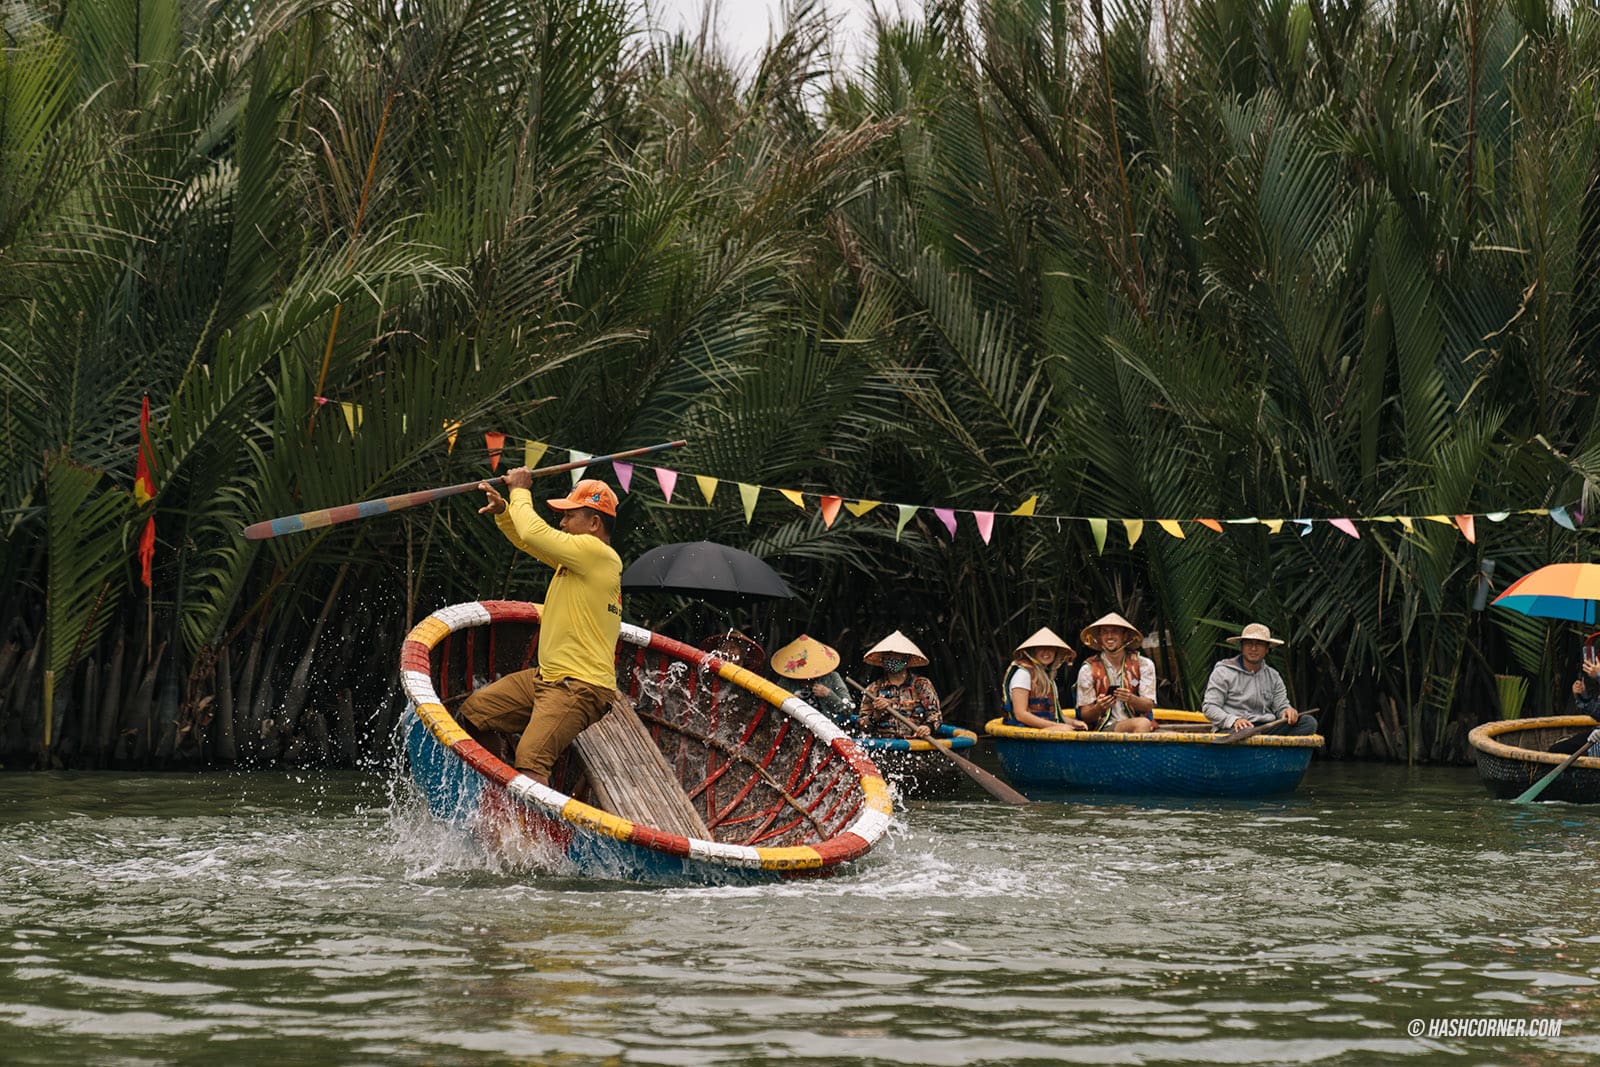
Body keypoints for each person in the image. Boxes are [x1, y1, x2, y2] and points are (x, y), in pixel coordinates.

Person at [457, 472, 623, 785]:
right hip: (548, 677)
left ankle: (535, 835)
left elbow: (534, 533)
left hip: (579, 685)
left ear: (594, 524)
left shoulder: (597, 554)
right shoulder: (577, 559)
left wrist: (520, 489)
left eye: (569, 516)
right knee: (477, 713)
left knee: (531, 760)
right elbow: (528, 540)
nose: (561, 523)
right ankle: (499, 797)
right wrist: (506, 512)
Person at [1201, 623, 1318, 736]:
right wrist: (1233, 720)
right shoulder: (1223, 672)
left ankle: (1268, 747)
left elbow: (1281, 707)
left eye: (1259, 644)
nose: (1253, 648)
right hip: (1233, 729)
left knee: (1308, 722)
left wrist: (1288, 711)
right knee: (1243, 732)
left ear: (1267, 649)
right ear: (1241, 646)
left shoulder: (1273, 676)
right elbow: (1210, 707)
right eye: (1248, 643)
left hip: (1264, 728)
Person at [1075, 612, 1158, 733]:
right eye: (1104, 632)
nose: (1109, 636)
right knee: (1142, 723)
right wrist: (1098, 708)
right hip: (1104, 728)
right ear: (1099, 637)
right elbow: (1085, 716)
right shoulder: (1088, 669)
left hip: (1138, 724)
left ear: (1124, 636)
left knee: (1143, 723)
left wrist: (1131, 699)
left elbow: (1148, 705)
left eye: (1115, 631)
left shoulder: (1143, 664)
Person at [857, 630, 941, 739]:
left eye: (897, 656)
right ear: (882, 660)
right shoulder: (873, 689)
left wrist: (927, 727)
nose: (892, 659)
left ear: (907, 659)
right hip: (884, 746)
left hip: (917, 745)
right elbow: (863, 726)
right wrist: (877, 714)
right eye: (888, 656)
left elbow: (935, 714)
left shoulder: (921, 685)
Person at [1002, 627, 1081, 732]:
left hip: (1044, 729)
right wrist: (1055, 727)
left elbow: (1057, 714)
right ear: (1033, 650)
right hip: (1025, 731)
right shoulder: (1023, 674)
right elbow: (1021, 714)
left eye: (1050, 648)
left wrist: (1073, 723)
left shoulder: (1048, 677)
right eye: (1041, 648)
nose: (1046, 652)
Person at [770, 634, 854, 724]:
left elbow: (848, 710)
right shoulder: (787, 680)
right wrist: (791, 702)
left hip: (825, 729)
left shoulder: (832, 677)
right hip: (794, 729)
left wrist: (828, 694)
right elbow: (774, 709)